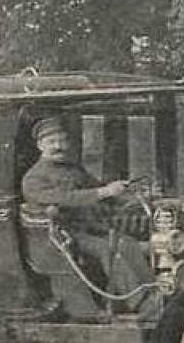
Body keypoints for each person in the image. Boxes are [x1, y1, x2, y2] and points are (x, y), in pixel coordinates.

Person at [19, 117, 153, 303]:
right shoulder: (33, 179)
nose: (59, 146)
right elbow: (68, 198)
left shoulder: (72, 168)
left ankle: (151, 291)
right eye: (52, 142)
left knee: (127, 243)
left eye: (62, 141)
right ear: (40, 146)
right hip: (65, 236)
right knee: (110, 250)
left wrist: (123, 191)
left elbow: (96, 187)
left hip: (90, 228)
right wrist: (104, 191)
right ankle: (140, 302)